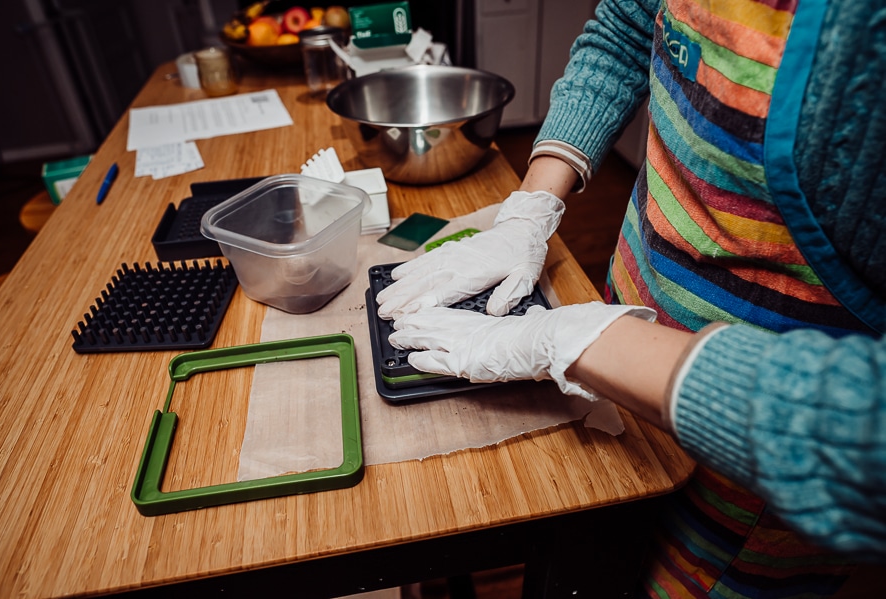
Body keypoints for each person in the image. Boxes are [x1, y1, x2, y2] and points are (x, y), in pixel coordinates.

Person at [376, 0, 886, 596]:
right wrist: (531, 209)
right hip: (608, 354)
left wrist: (579, 338)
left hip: (762, 459)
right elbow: (625, 30)